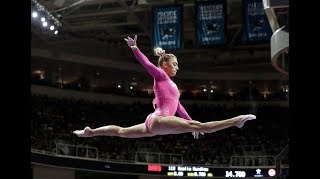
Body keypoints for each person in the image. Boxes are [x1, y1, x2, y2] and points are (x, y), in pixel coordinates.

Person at [73, 35, 256, 139]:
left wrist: (191, 123)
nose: (177, 67)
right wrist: (135, 48)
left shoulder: (172, 85)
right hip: (159, 120)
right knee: (201, 126)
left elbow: (178, 107)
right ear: (165, 65)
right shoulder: (160, 75)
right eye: (175, 64)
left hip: (155, 124)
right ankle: (237, 120)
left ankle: (91, 132)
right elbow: (147, 64)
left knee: (121, 132)